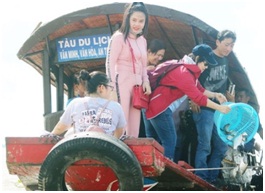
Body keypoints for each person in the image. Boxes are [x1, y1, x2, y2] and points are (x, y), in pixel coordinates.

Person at [144, 44, 231, 161]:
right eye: (205, 64)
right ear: (197, 58)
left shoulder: (189, 71)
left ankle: (150, 172)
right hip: (160, 109)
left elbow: (199, 89)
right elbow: (198, 97)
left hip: (154, 107)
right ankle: (164, 173)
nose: (206, 67)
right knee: (170, 140)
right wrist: (219, 108)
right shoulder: (184, 73)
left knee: (154, 140)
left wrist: (215, 95)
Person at [190, 30, 237, 183]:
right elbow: (192, 80)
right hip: (204, 107)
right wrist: (193, 99)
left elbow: (222, 85)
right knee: (204, 144)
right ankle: (201, 178)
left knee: (222, 147)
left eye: (232, 45)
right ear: (217, 42)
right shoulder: (206, 57)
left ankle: (211, 179)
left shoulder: (226, 61)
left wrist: (229, 98)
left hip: (220, 111)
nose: (229, 48)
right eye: (226, 44)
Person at [105, 2, 151, 138]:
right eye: (134, 20)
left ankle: (131, 157)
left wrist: (146, 81)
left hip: (137, 86)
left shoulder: (143, 40)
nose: (137, 24)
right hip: (122, 83)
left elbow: (143, 65)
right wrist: (112, 88)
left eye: (141, 21)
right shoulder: (118, 37)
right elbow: (109, 63)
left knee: (134, 127)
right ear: (128, 19)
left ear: (145, 22)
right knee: (121, 122)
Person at [48, 71, 126, 139]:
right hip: (106, 152)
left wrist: (51, 135)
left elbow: (60, 128)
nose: (110, 91)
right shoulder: (116, 106)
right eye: (110, 87)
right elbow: (119, 133)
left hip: (79, 152)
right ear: (101, 87)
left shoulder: (75, 103)